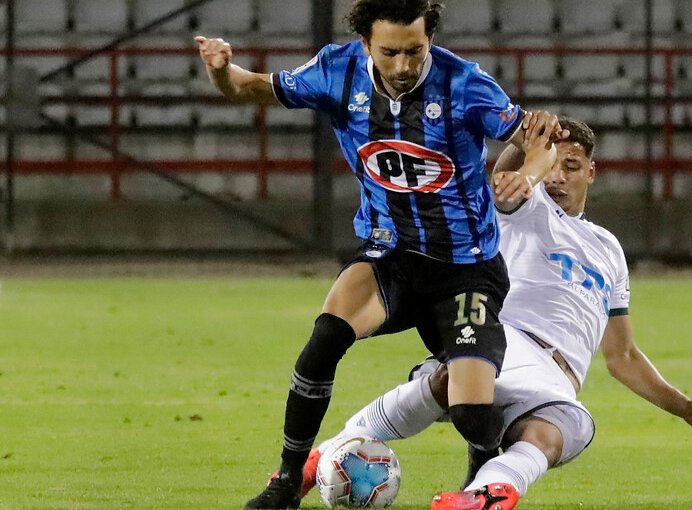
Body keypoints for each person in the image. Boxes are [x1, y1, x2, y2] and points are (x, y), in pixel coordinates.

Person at [196, 1, 566, 508]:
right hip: (390, 255)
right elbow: (246, 86)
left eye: (415, 51)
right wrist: (221, 71)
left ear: (428, 41)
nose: (403, 65)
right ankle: (286, 479)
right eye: (390, 52)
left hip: (467, 269)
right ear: (366, 44)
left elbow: (541, 137)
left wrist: (528, 175)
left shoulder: (465, 83)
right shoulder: (336, 70)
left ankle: (481, 467)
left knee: (470, 409)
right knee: (324, 339)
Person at [301, 118, 692, 510]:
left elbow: (623, 356)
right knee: (450, 381)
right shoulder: (526, 206)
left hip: (556, 382)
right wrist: (527, 133)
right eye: (552, 165)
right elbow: (504, 179)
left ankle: (483, 494)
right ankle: (326, 454)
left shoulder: (609, 250)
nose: (557, 177)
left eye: (571, 167)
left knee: (562, 431)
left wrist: (683, 408)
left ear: (592, 172)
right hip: (505, 340)